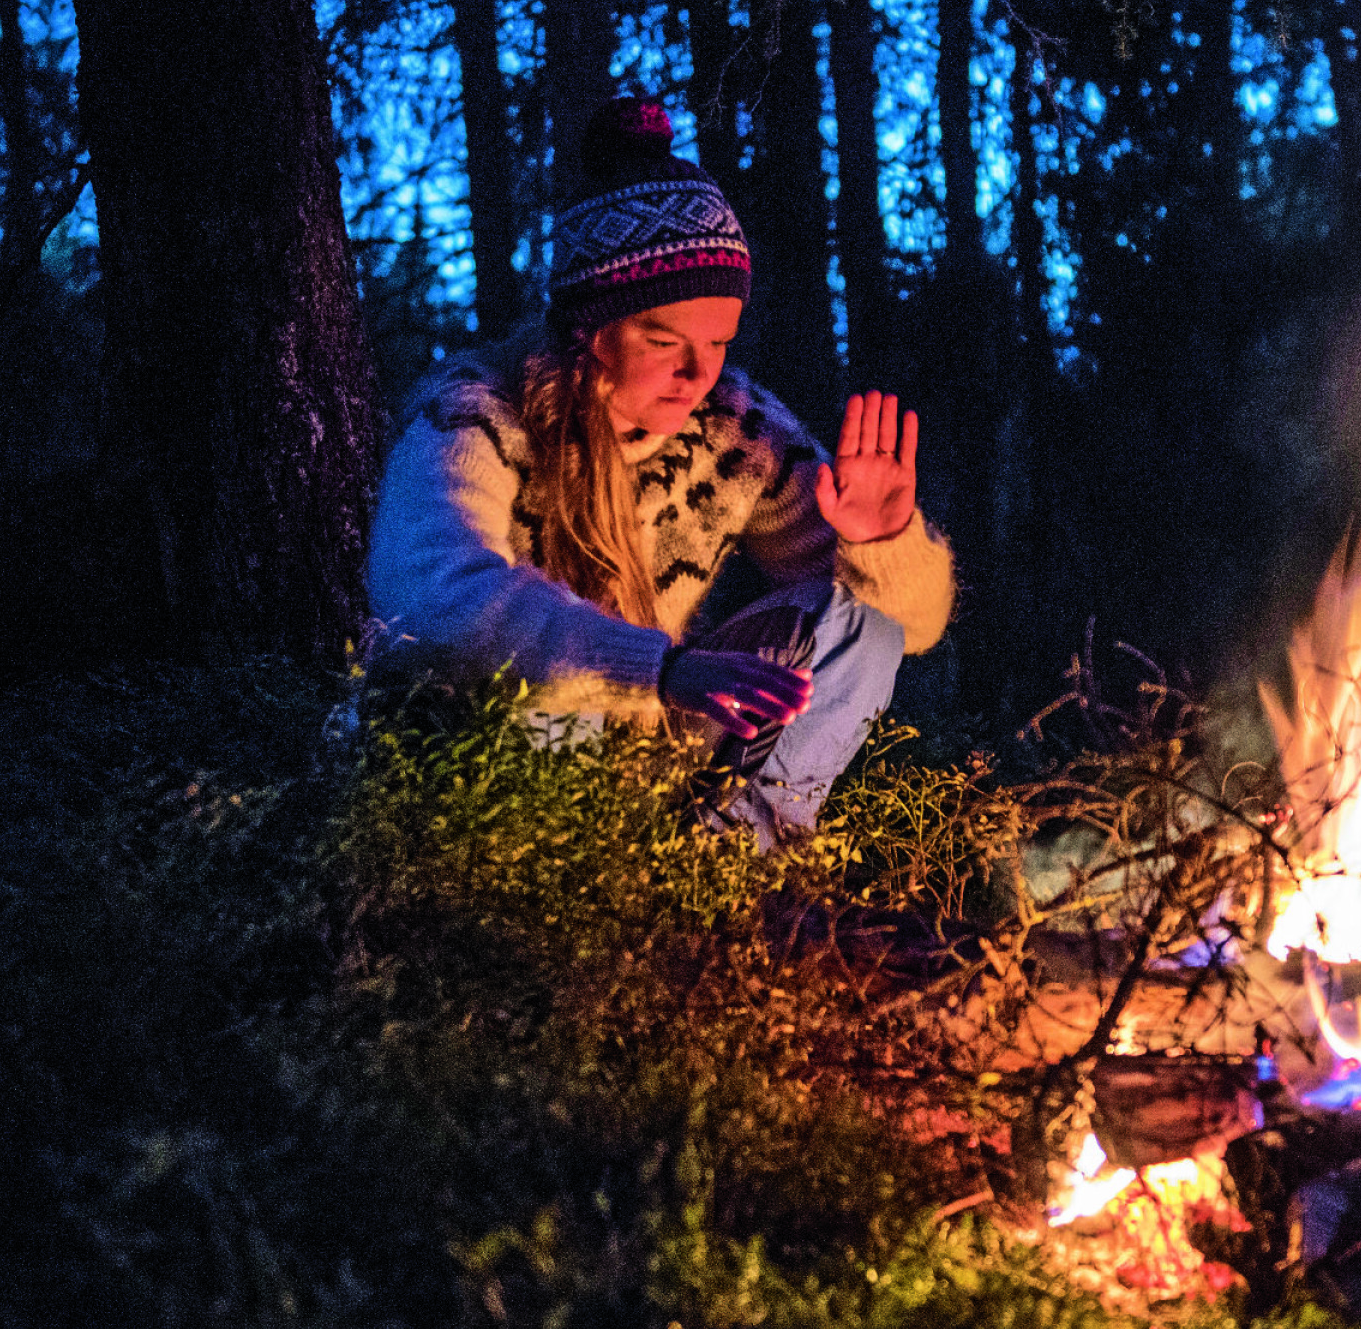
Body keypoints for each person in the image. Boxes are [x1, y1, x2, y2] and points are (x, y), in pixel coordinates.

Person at [364, 96, 954, 843]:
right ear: (592, 327)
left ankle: (731, 867)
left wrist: (884, 541)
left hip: (650, 749)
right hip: (481, 760)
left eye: (718, 342)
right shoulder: (474, 417)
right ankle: (550, 899)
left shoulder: (732, 427)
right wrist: (656, 670)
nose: (696, 372)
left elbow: (911, 630)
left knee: (858, 631)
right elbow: (437, 605)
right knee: (542, 697)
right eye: (663, 338)